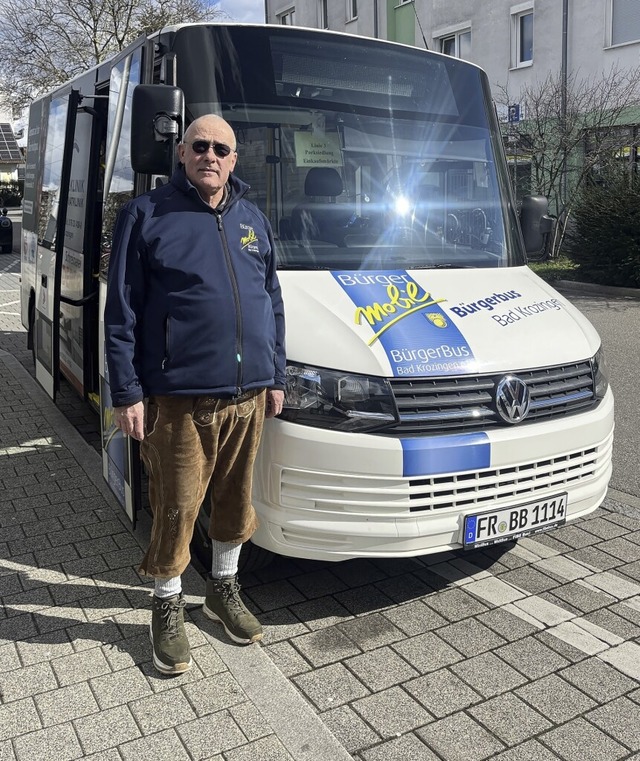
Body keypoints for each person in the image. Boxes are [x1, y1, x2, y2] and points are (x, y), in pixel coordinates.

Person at [104, 114, 286, 676]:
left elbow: (271, 300)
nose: (210, 155)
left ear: (234, 160)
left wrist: (275, 374)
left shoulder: (252, 219)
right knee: (177, 506)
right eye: (199, 145)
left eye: (221, 148)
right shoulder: (148, 214)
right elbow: (123, 311)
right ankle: (166, 603)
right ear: (182, 154)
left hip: (248, 395)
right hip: (180, 398)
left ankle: (223, 590)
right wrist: (128, 390)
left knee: (235, 502)